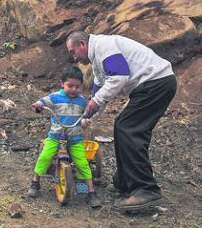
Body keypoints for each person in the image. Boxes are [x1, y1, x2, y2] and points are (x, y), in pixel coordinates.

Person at [66, 31, 177, 211]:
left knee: (128, 128)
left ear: (82, 44)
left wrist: (96, 101)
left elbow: (119, 77)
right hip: (151, 86)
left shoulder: (103, 46)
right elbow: (100, 95)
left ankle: (146, 189)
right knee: (123, 126)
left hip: (156, 83)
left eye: (73, 51)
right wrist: (84, 122)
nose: (73, 57)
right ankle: (126, 181)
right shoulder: (97, 62)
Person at [27, 65, 102, 208]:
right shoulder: (55, 97)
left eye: (77, 87)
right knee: (45, 157)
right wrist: (39, 104)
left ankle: (89, 192)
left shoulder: (81, 101)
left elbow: (88, 113)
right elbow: (44, 102)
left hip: (75, 139)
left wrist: (88, 117)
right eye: (70, 86)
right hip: (56, 137)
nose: (73, 89)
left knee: (82, 163)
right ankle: (35, 182)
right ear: (62, 84)